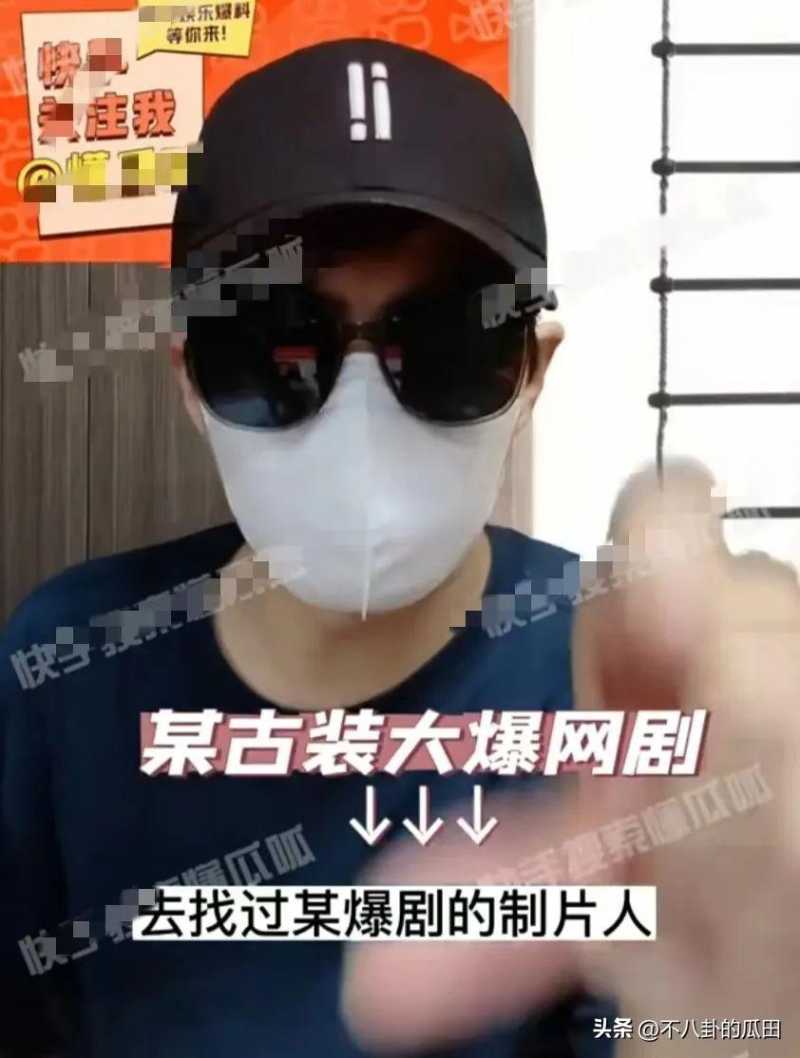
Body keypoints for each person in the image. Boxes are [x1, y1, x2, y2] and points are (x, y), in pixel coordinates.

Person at [2, 36, 798, 1058]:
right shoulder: (70, 668)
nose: (360, 413)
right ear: (191, 378)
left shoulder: (633, 699)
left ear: (531, 369)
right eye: (275, 344)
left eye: (445, 343)